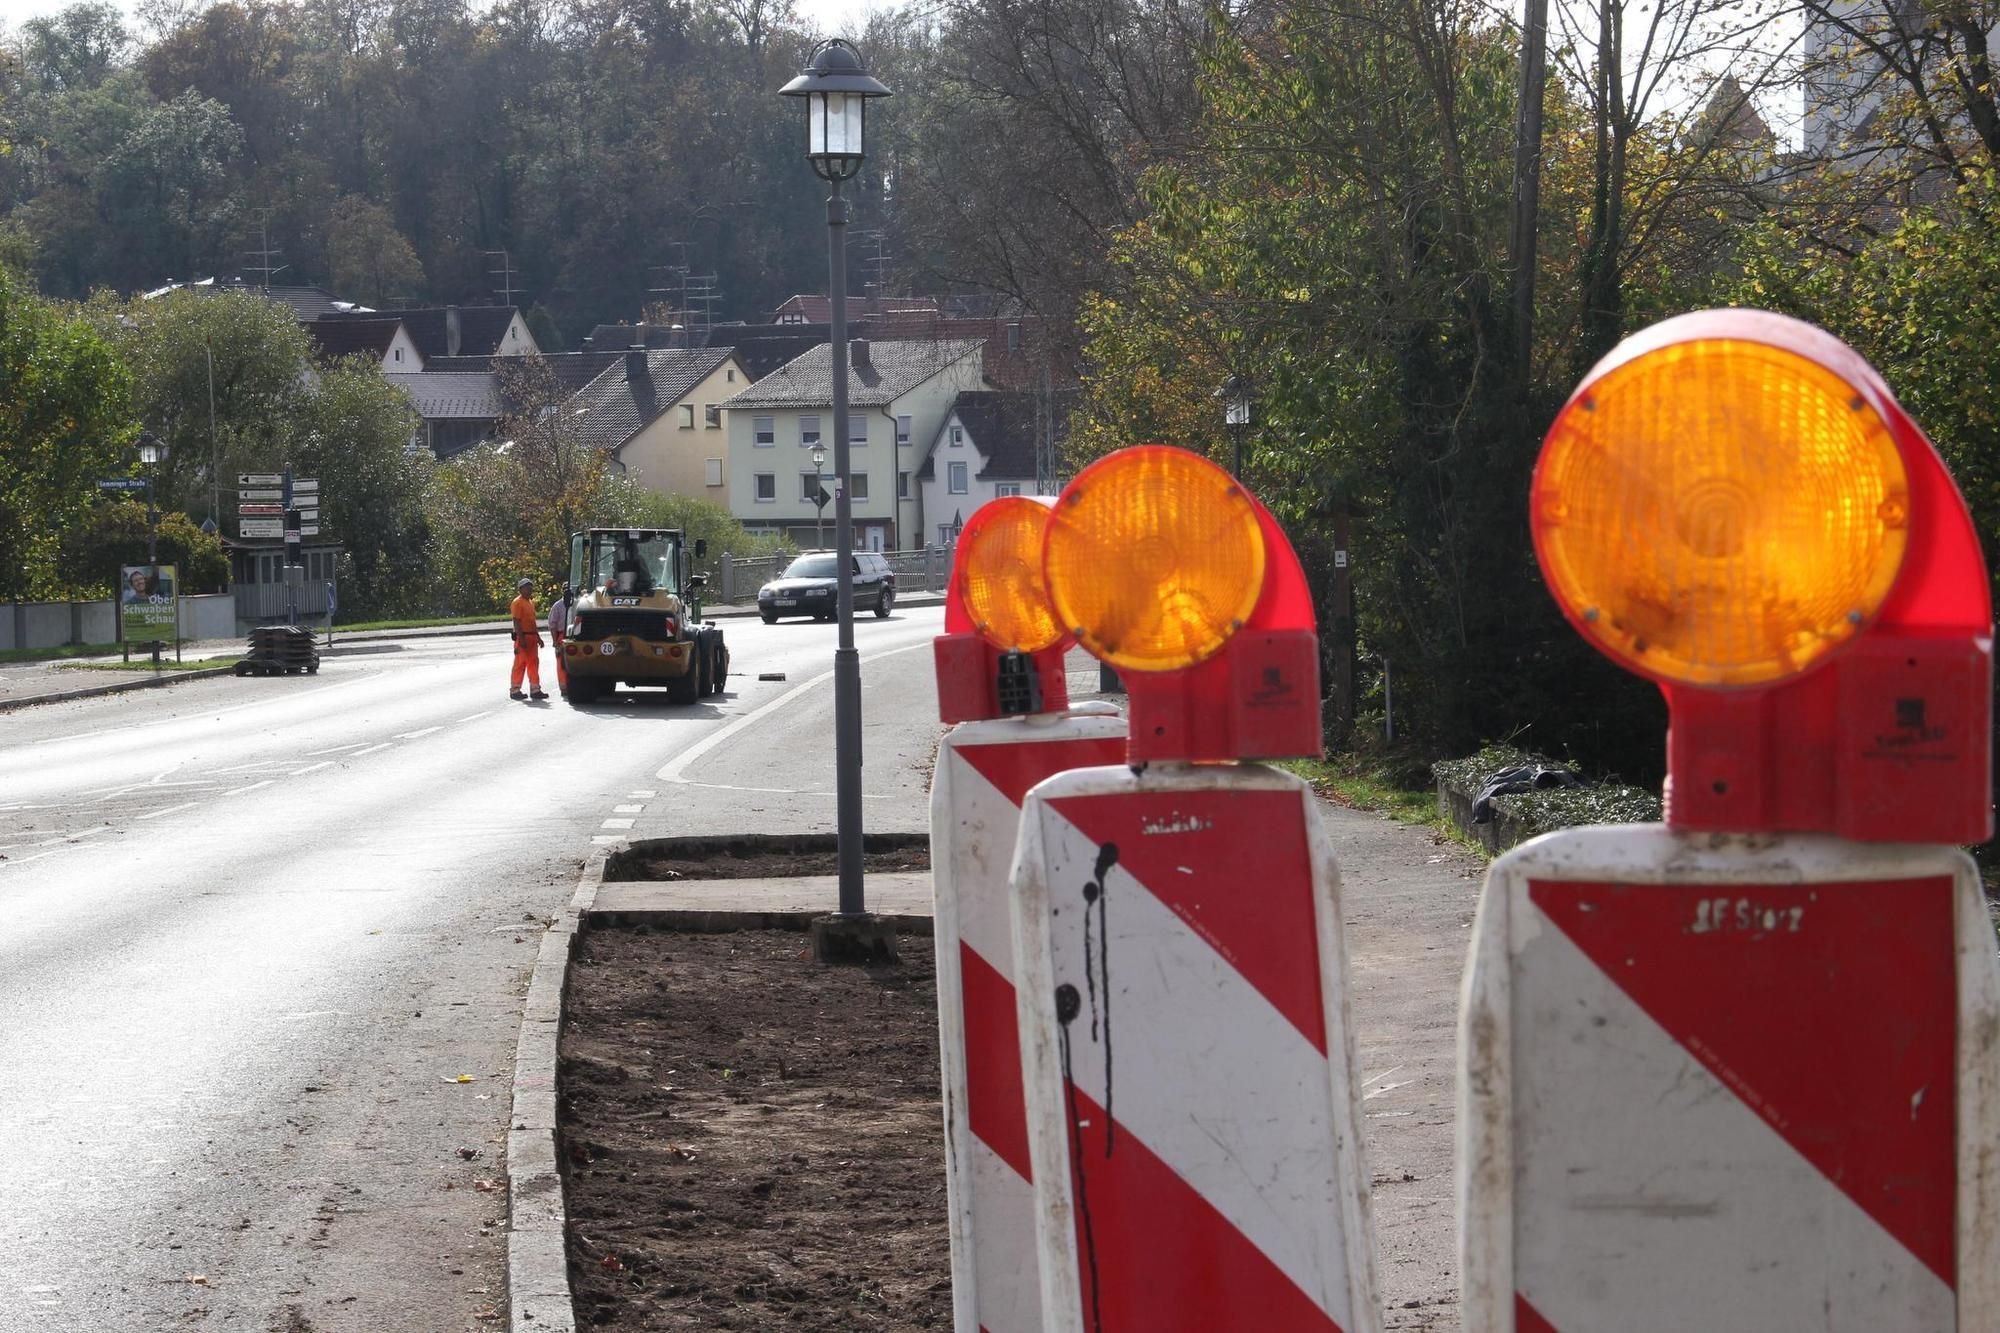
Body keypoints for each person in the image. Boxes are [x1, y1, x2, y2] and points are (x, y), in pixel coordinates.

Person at [509, 577, 547, 701]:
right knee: (520, 664)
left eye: (530, 587)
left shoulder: (530, 603)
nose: (530, 589)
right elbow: (517, 622)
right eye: (527, 587)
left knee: (533, 664)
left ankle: (535, 689)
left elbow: (532, 622)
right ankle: (515, 690)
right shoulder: (517, 602)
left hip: (531, 637)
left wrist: (538, 638)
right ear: (520, 589)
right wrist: (521, 638)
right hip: (523, 636)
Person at [547, 584, 571, 697]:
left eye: (569, 589)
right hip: (561, 635)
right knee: (561, 663)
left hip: (574, 635)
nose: (567, 591)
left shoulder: (577, 603)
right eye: (565, 589)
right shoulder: (557, 606)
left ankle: (574, 685)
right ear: (562, 591)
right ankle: (564, 687)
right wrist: (555, 641)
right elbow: (552, 625)